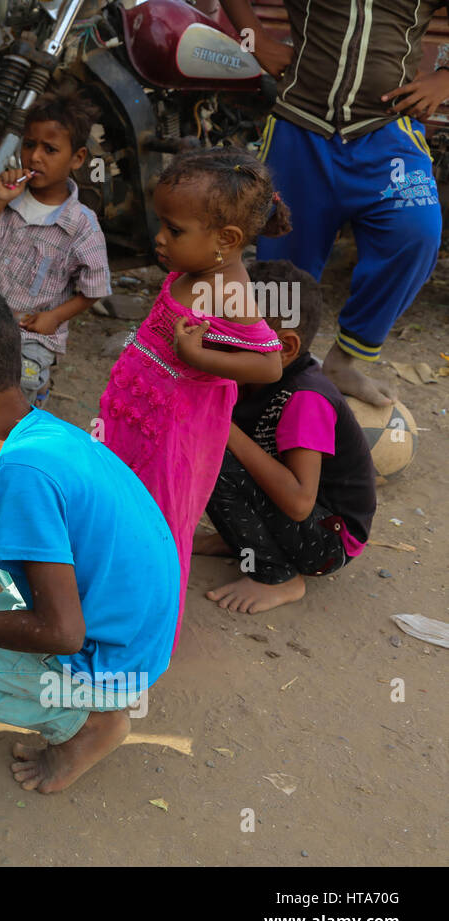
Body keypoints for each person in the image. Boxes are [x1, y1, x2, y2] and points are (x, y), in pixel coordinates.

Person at [0, 279, 180, 795]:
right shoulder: (22, 433)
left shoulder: (24, 471)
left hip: (105, 659)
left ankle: (85, 724)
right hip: (125, 624)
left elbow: (62, 631)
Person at [99, 148, 286, 647]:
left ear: (225, 241)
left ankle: (141, 636)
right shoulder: (196, 272)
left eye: (174, 230)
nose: (160, 238)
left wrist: (200, 358)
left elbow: (269, 363)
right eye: (162, 223)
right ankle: (110, 606)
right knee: (123, 507)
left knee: (157, 522)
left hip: (175, 432)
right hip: (143, 418)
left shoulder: (227, 291)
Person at [221, 0, 448, 406]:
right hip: (300, 125)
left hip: (387, 130)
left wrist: (445, 77)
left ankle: (345, 361)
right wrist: (256, 39)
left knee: (417, 234)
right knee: (283, 267)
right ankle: (274, 374)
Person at [198, 259, 377, 613]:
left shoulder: (304, 399)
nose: (214, 346)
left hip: (328, 541)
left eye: (229, 339)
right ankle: (239, 542)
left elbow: (299, 503)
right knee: (203, 438)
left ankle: (277, 575)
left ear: (285, 347)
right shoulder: (252, 377)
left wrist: (226, 431)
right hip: (300, 518)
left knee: (215, 451)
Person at [0, 92, 111, 406]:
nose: (35, 157)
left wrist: (54, 317)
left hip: (31, 335)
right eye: (29, 145)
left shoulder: (81, 225)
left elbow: (96, 287)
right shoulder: (5, 197)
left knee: (19, 386)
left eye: (50, 149)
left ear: (77, 158)